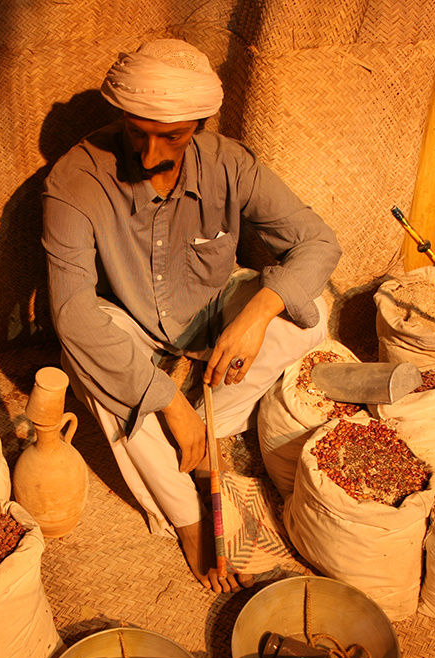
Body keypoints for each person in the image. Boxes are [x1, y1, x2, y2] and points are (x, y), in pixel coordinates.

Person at [42, 39, 342, 592]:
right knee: (83, 357)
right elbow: (73, 311)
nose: (151, 154)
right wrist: (169, 401)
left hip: (207, 314)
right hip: (128, 325)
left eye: (173, 137)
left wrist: (257, 313)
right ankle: (188, 512)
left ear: (201, 124)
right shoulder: (75, 181)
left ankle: (212, 430)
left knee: (309, 314)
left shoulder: (230, 163)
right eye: (137, 131)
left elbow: (317, 242)